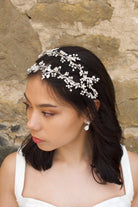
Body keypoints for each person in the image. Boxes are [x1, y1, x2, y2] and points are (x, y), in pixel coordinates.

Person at [0, 46, 137, 207]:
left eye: (48, 113)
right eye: (28, 105)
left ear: (89, 112)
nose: (30, 123)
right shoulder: (14, 171)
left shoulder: (133, 172)